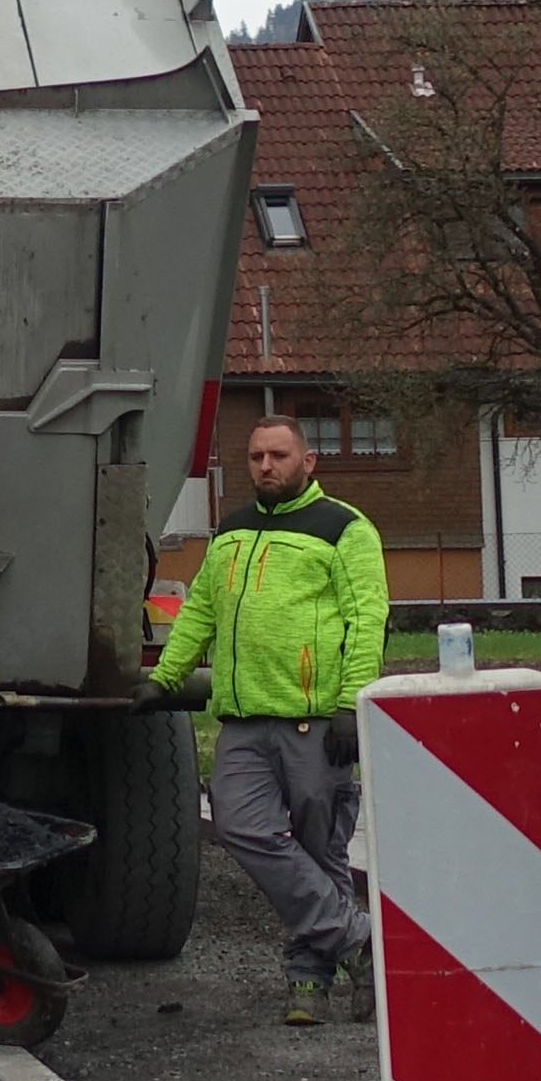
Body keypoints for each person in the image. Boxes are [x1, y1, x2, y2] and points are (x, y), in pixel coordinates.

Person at [149, 416, 390, 1025]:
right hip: (244, 721)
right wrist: (163, 679)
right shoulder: (231, 532)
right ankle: (358, 941)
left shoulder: (345, 528)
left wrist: (350, 703)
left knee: (319, 848)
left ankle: (308, 983)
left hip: (315, 719)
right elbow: (200, 611)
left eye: (279, 455)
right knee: (240, 827)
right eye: (256, 455)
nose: (266, 466)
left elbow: (368, 618)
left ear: (308, 463)